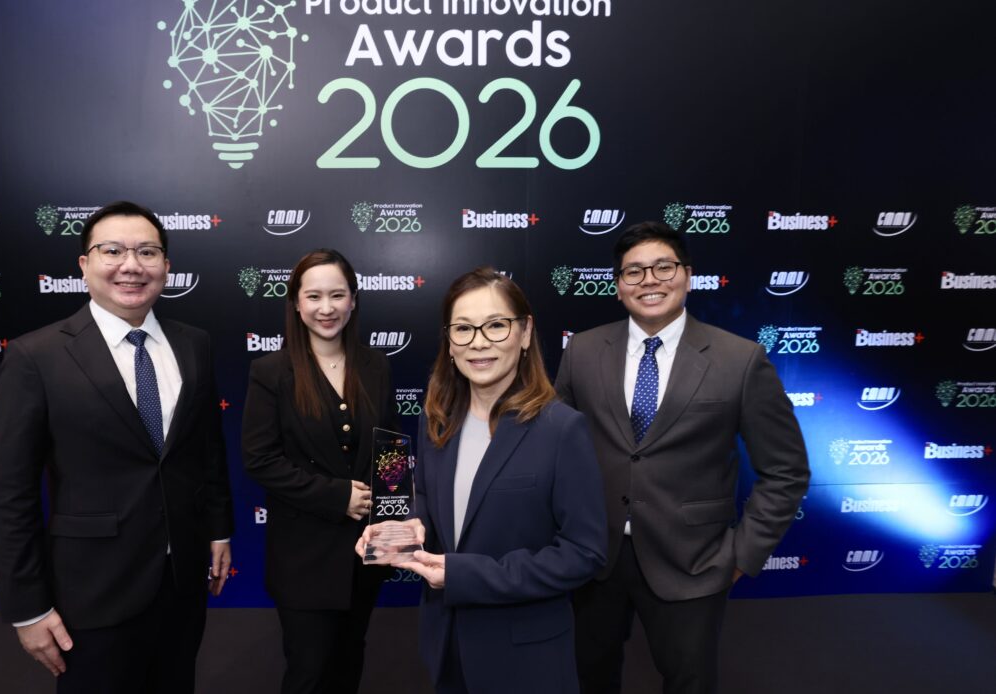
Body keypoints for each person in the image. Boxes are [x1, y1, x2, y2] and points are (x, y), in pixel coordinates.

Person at [0, 201, 234, 693]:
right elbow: (11, 493)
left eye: (147, 252)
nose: (131, 265)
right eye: (113, 251)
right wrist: (27, 608)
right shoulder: (36, 356)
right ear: (85, 265)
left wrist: (219, 530)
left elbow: (207, 450)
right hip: (90, 593)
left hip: (181, 584)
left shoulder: (195, 344)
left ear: (166, 265)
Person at [555, 221, 810, 693]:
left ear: (688, 276)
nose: (649, 281)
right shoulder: (583, 351)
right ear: (618, 286)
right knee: (588, 677)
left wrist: (740, 555)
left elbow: (786, 471)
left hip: (694, 562)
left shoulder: (740, 360)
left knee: (689, 682)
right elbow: (556, 451)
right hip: (594, 557)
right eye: (634, 272)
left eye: (663, 267)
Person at [364, 267, 607, 693]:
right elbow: (433, 502)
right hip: (447, 645)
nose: (478, 342)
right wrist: (407, 527)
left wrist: (465, 575)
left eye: (496, 325)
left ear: (525, 333)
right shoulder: (438, 421)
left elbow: (584, 554)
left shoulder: (561, 429)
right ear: (449, 342)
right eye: (463, 329)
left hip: (525, 659)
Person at [241, 248, 398, 694]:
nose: (326, 308)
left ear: (354, 300)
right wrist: (336, 496)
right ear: (296, 303)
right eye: (313, 296)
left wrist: (391, 527)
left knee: (349, 663)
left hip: (364, 553)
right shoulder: (270, 371)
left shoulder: (376, 365)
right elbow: (260, 459)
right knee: (309, 673)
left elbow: (391, 451)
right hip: (303, 558)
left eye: (337, 295)